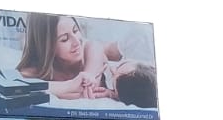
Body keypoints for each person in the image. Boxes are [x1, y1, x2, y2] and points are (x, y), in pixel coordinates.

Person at [17, 14, 157, 104]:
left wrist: (59, 89)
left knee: (121, 46)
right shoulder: (32, 71)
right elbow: (12, 89)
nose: (76, 41)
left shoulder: (91, 48)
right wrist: (68, 86)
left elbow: (86, 91)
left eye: (75, 31)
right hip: (110, 52)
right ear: (46, 47)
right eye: (64, 39)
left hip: (108, 51)